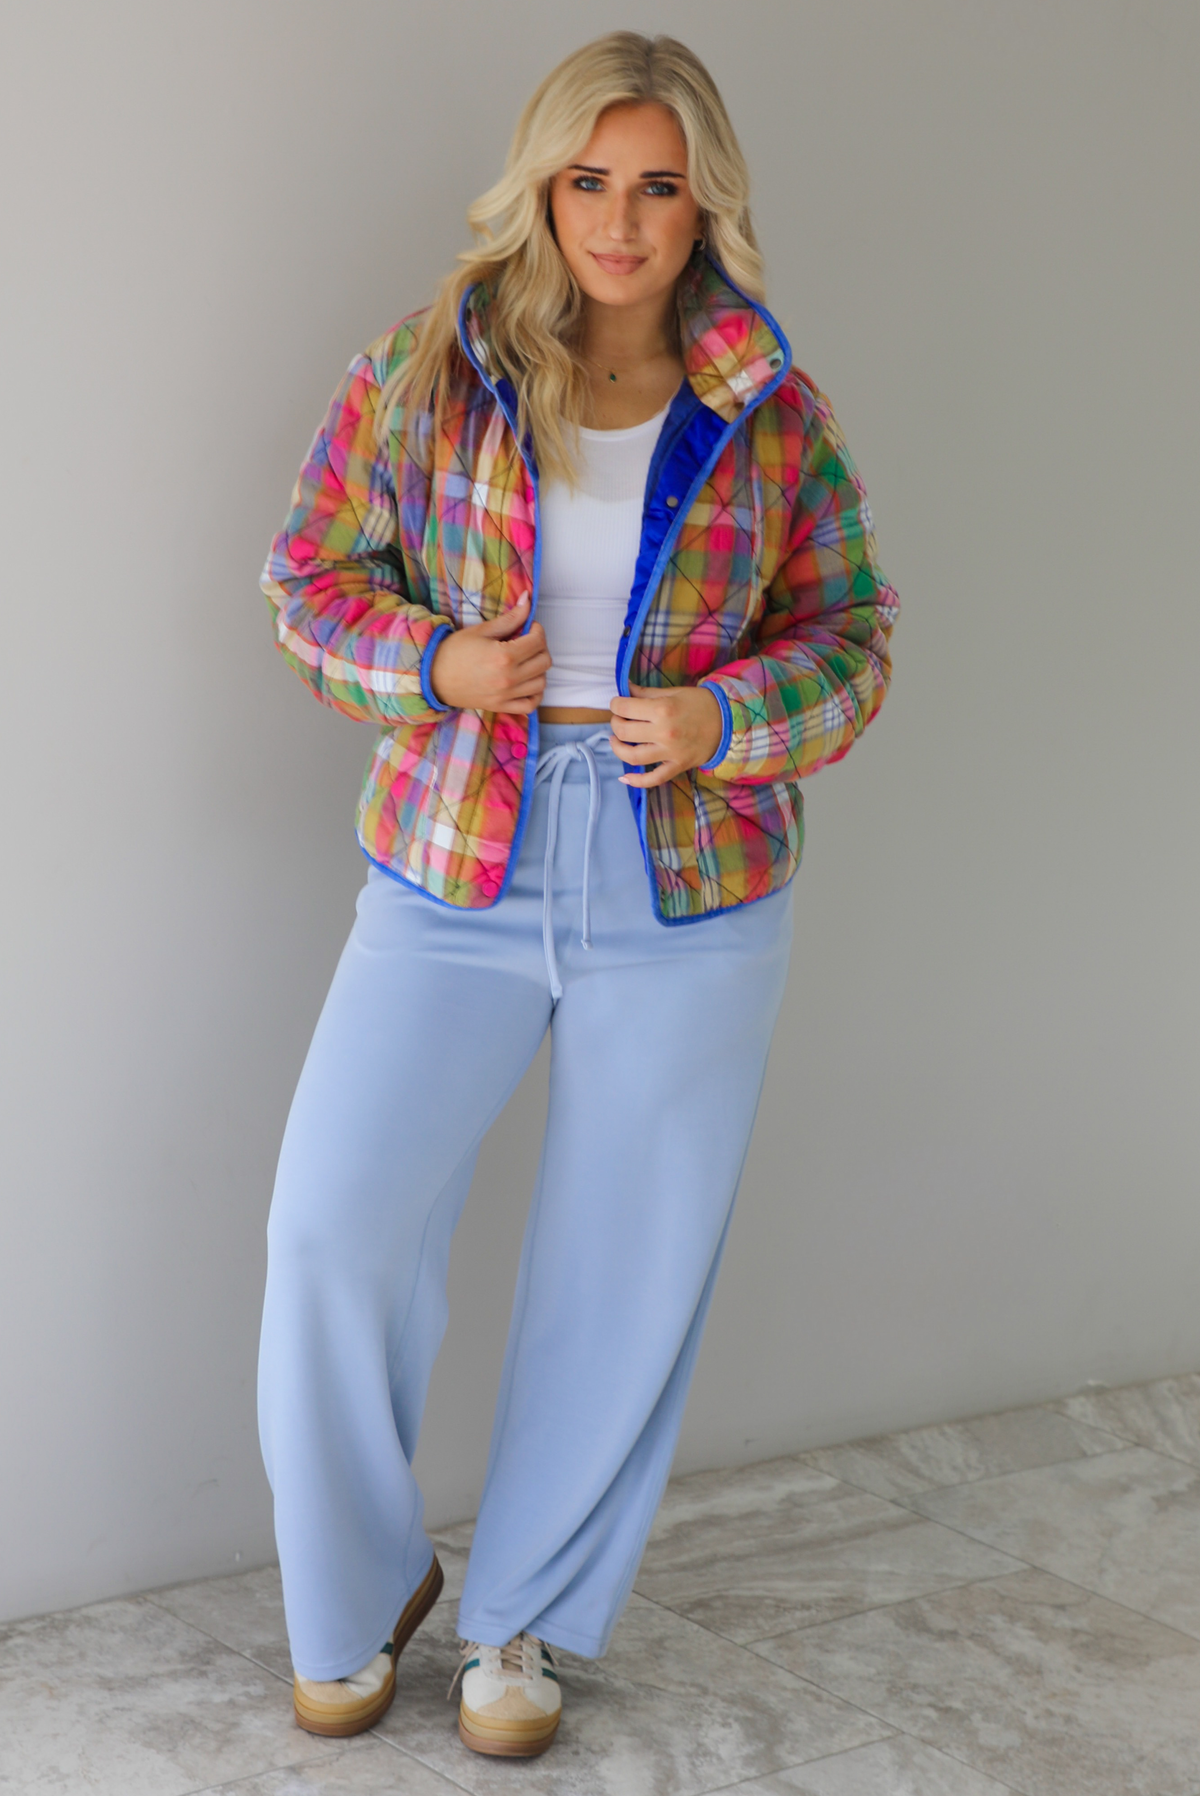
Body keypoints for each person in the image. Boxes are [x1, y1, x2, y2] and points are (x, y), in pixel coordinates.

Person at [256, 29, 898, 1761]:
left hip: (684, 877)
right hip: (455, 856)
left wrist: (721, 717)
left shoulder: (769, 407)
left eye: (660, 184)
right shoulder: (428, 370)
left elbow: (855, 644)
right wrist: (445, 662)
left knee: (622, 1264)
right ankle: (357, 1584)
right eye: (592, 177)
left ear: (708, 205)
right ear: (545, 184)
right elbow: (304, 583)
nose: (621, 219)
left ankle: (519, 1619)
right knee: (331, 1224)